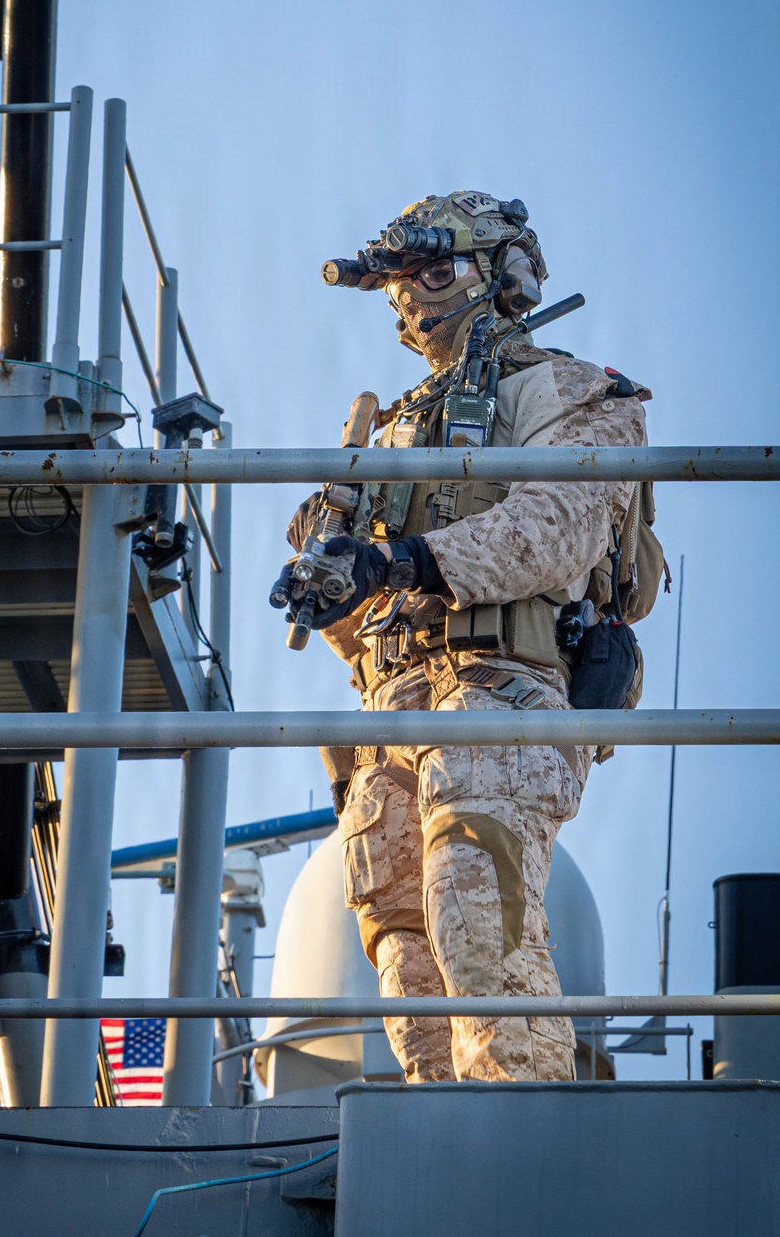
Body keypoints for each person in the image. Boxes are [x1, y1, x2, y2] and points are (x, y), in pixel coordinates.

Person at [274, 191, 661, 1083]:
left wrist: (397, 560)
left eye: (435, 271)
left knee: (475, 911)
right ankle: (440, 1149)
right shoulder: (389, 430)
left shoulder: (568, 390)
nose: (413, 296)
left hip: (501, 678)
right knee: (404, 952)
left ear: (502, 273)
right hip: (393, 705)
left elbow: (556, 526)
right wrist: (332, 584)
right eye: (402, 282)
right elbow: (356, 627)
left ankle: (518, 1128)